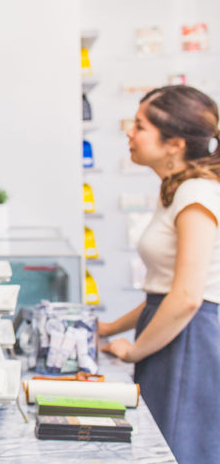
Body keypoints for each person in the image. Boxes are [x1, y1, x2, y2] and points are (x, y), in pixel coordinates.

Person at [98, 85, 220, 463]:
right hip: (174, 332)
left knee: (178, 449)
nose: (129, 133)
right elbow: (164, 292)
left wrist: (134, 349)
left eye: (140, 125)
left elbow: (186, 299)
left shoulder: (195, 194)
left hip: (189, 341)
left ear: (174, 143)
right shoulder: (179, 190)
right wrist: (108, 329)